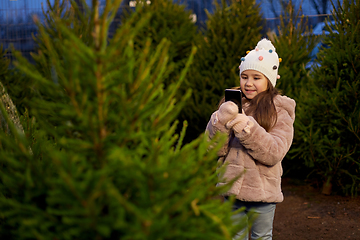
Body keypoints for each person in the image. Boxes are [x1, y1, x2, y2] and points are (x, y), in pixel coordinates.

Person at [205, 38, 296, 240]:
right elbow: (213, 149)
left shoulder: (280, 111)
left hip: (262, 194)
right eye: (244, 76)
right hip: (232, 190)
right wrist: (220, 120)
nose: (248, 83)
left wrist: (244, 125)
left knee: (261, 237)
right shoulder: (231, 103)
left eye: (256, 77)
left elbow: (274, 152)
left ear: (269, 80)